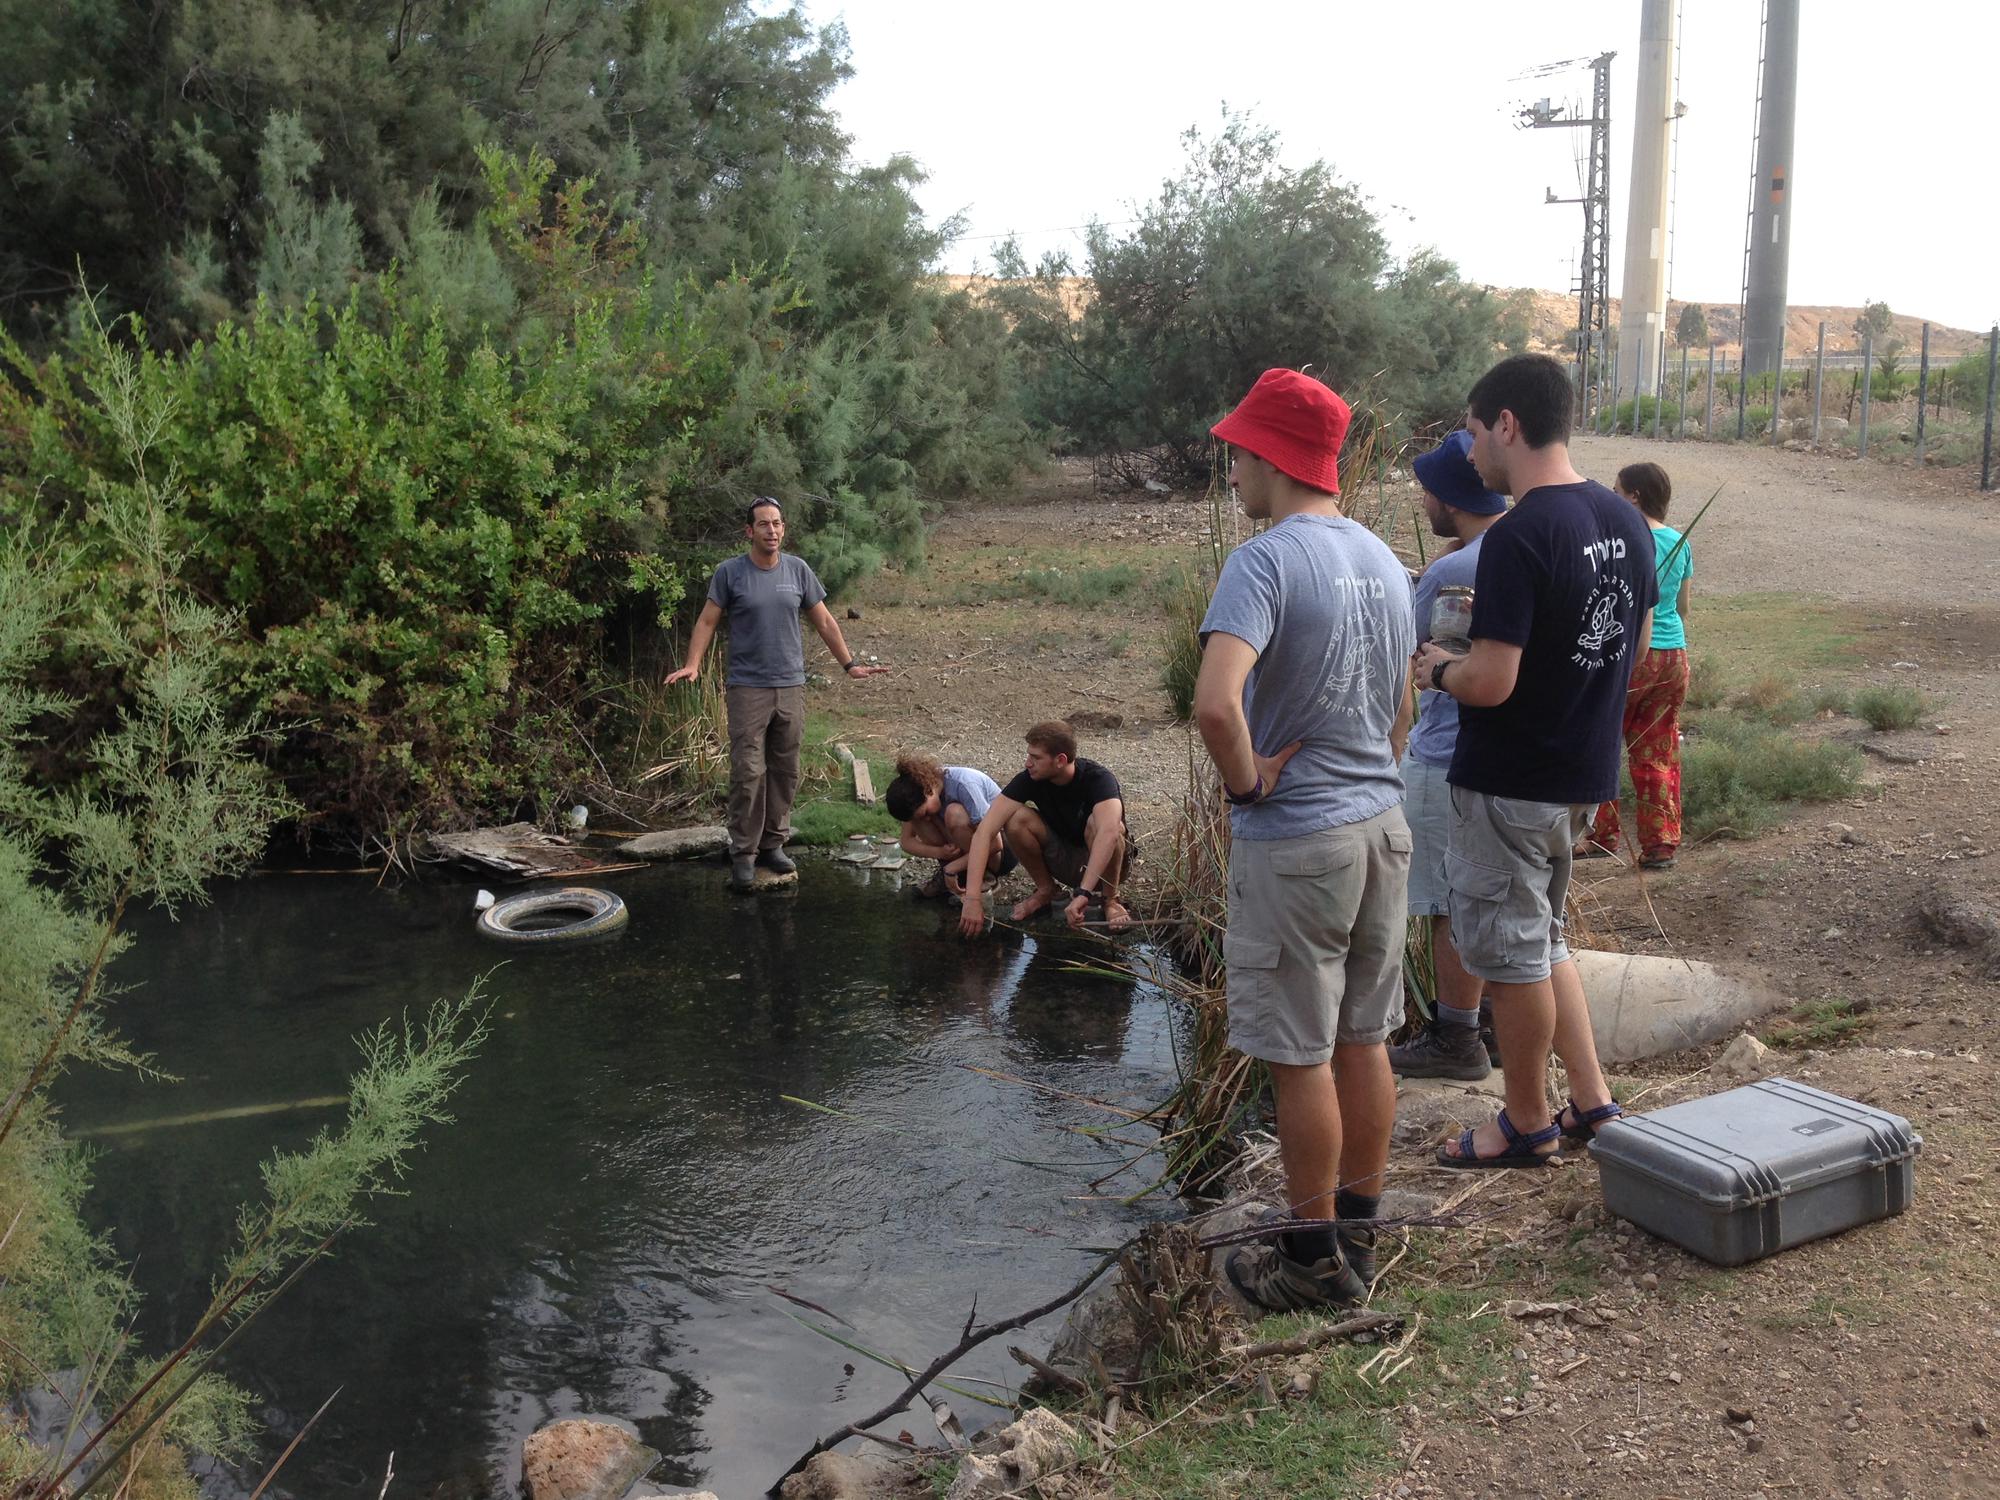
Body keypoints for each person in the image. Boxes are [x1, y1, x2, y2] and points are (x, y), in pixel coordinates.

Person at [1193, 367, 1416, 1310]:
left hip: (1301, 840)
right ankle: (1358, 1238)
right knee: (1366, 1040)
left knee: (1301, 1054)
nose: (1231, 468)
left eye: (1237, 450)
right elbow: (1404, 704)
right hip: (1383, 828)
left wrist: (1248, 788)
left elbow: (1214, 705)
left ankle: (1310, 1260)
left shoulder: (1266, 560)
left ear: (1270, 453)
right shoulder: (1378, 555)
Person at [1413, 354, 1657, 1168]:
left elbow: (1489, 680)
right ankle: (1591, 1101)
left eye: (1477, 432)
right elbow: (1637, 644)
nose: (1473, 452)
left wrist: (1436, 669)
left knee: (1512, 956)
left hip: (1511, 780)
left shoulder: (1519, 535)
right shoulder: (1626, 523)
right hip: (1582, 774)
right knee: (1546, 942)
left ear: (1508, 425)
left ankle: (1524, 1121)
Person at [666, 497, 887, 891]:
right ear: (749, 531)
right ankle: (744, 854)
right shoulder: (730, 573)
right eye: (764, 524)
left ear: (784, 529)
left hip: (790, 685)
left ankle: (773, 845)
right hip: (747, 687)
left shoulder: (798, 571)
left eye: (778, 524)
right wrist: (693, 663)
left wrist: (850, 664)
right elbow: (707, 620)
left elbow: (824, 621)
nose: (773, 530)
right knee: (748, 772)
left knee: (785, 770)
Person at [1387, 431, 1509, 1083]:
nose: (1424, 497)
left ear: (1454, 496)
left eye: (1429, 486)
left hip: (1444, 754)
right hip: (1500, 756)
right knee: (1485, 897)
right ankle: (1485, 1017)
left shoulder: (1452, 570)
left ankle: (1456, 1034)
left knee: (1445, 902)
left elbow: (1407, 656)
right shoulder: (1516, 546)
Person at [1583, 461, 1693, 871]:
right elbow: (1682, 608)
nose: (1611, 497)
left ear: (1634, 496)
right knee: (1657, 750)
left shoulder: (1622, 539)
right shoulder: (1681, 543)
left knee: (1605, 742)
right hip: (1674, 657)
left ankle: (1601, 834)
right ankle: (1660, 844)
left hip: (1633, 655)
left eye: (1616, 490)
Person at [958, 721, 1134, 936]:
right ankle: (1046, 890)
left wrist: (1083, 893)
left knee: (1107, 825)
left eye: (1036, 757)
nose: (1028, 763)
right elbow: (984, 832)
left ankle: (1110, 899)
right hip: (1064, 859)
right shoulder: (1029, 779)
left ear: (1060, 760)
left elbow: (1108, 834)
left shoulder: (1098, 779)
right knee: (1015, 819)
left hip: (1105, 864)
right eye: (1028, 756)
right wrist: (973, 898)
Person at [883, 753, 1015, 898]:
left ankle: (985, 878)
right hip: (970, 849)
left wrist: (953, 866)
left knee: (954, 813)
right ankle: (959, 877)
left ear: (928, 789)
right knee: (919, 818)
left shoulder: (964, 784)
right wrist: (941, 853)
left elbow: (995, 844)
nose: (927, 819)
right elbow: (906, 842)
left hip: (1002, 852)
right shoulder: (916, 796)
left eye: (926, 812)